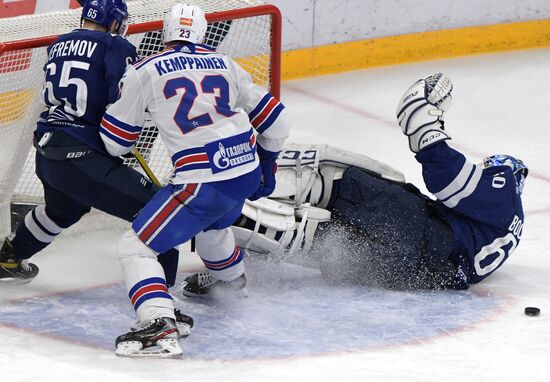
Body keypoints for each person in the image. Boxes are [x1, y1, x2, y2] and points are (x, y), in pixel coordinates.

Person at [184, 73, 527, 292]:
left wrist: (426, 120)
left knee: (329, 174)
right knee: (311, 240)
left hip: (419, 232)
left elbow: (448, 177)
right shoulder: (500, 231)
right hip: (409, 275)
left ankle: (203, 199)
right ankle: (224, 256)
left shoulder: (506, 187)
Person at [103, 3, 290, 357]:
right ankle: (233, 285)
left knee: (136, 246)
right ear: (203, 33)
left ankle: (157, 323)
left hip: (202, 178)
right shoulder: (227, 64)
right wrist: (267, 164)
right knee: (212, 229)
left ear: (165, 33)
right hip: (244, 169)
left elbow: (115, 143)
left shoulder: (144, 70)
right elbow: (278, 123)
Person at [0, 0, 192, 332]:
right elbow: (124, 97)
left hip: (48, 152)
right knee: (160, 213)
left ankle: (9, 258)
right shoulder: (116, 45)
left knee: (63, 211)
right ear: (116, 23)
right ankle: (162, 307)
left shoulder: (60, 43)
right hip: (82, 156)